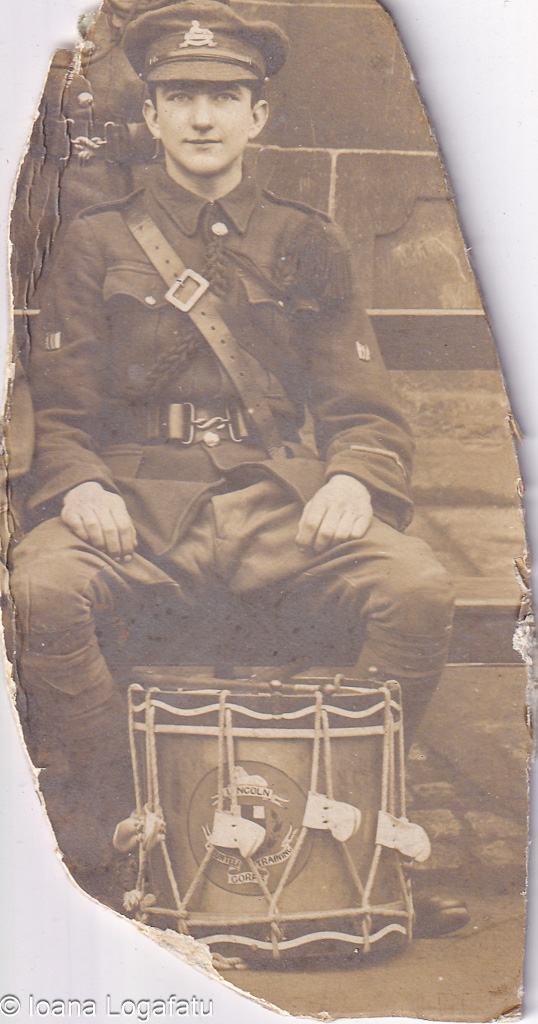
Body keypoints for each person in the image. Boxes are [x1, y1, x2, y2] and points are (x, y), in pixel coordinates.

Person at [8, 0, 466, 935]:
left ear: (260, 114)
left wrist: (356, 478)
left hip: (277, 504)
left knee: (414, 587)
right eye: (180, 96)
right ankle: (112, 846)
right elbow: (58, 408)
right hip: (136, 506)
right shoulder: (95, 242)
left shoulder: (309, 238)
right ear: (150, 116)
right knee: (46, 587)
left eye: (224, 95)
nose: (202, 117)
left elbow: (360, 403)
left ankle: (358, 835)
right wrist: (82, 483)